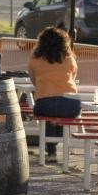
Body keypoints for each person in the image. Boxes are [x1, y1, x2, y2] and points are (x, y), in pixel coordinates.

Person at [28, 26, 82, 157]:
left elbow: (33, 80)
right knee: (61, 115)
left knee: (47, 116)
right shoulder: (69, 59)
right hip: (70, 104)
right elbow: (73, 77)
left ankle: (51, 149)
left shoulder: (35, 60)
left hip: (44, 103)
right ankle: (57, 140)